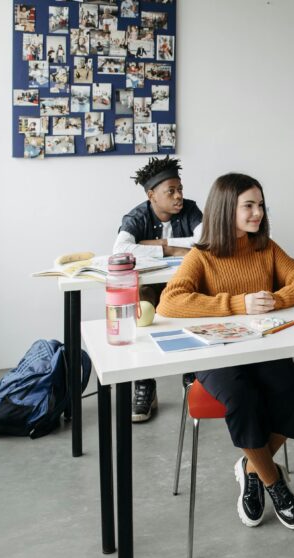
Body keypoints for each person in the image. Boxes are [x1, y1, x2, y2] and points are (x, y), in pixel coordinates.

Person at [158, 173, 294, 530]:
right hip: (216, 356)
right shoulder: (202, 257)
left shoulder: (265, 249)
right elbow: (169, 302)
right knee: (242, 397)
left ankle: (252, 468)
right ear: (225, 209)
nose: (258, 213)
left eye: (260, 205)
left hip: (262, 349)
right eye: (249, 205)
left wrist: (274, 299)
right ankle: (274, 484)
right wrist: (236, 304)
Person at [115, 156, 203, 422]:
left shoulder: (190, 209)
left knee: (194, 307)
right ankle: (144, 384)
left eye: (180, 190)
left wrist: (159, 244)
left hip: (181, 284)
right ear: (152, 195)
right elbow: (121, 249)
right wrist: (175, 248)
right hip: (150, 287)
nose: (179, 197)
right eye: (171, 191)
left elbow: (207, 241)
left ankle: (193, 377)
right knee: (141, 312)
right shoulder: (137, 215)